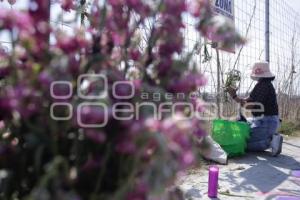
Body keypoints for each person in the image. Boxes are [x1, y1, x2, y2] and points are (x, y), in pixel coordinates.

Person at [227, 61, 283, 156]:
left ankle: (271, 141)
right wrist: (234, 95)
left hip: (266, 122)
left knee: (242, 143)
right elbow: (246, 101)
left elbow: (250, 106)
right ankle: (268, 136)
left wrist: (235, 96)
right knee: (242, 128)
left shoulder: (264, 86)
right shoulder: (261, 85)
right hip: (262, 120)